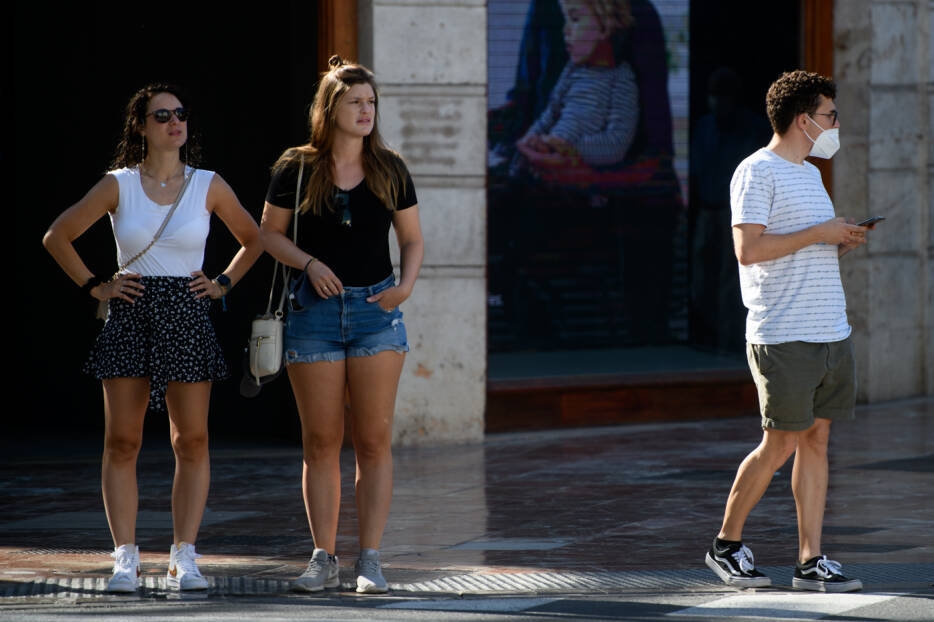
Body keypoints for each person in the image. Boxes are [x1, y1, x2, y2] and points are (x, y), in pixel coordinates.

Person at [42, 83, 263, 593]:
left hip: (186, 311)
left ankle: (184, 554)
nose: (174, 123)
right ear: (141, 126)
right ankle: (125, 556)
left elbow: (255, 238)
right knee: (123, 440)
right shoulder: (118, 183)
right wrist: (96, 284)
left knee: (192, 439)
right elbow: (57, 234)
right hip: (133, 309)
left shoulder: (208, 183)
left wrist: (223, 281)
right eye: (161, 115)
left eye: (180, 114)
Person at [704, 69, 874, 593]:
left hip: (829, 330)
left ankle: (810, 560)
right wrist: (819, 233)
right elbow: (748, 250)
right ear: (804, 119)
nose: (835, 124)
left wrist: (836, 240)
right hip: (784, 333)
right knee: (779, 444)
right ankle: (725, 546)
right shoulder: (756, 172)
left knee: (816, 441)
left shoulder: (808, 174)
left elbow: (796, 246)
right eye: (830, 116)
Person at [259, 55, 424, 595]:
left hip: (376, 312)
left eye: (371, 101)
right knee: (321, 442)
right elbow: (269, 235)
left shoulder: (390, 168)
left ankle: (370, 560)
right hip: (314, 314)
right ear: (330, 109)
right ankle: (322, 558)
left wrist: (403, 287)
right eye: (355, 101)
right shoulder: (296, 167)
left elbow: (413, 239)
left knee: (373, 441)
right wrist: (309, 262)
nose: (366, 110)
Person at [688, 67, 772, 355]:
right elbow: (697, 170)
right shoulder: (703, 128)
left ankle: (729, 343)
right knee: (701, 280)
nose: (717, 103)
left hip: (736, 214)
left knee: (730, 282)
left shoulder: (754, 129)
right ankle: (706, 338)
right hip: (707, 211)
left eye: (723, 97)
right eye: (713, 96)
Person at [509, 0, 640, 179]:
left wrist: (567, 148)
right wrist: (531, 139)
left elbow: (616, 143)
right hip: (547, 156)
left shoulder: (621, 77)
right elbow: (550, 114)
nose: (566, 30)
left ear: (605, 27)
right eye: (566, 20)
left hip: (577, 179)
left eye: (575, 19)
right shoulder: (571, 70)